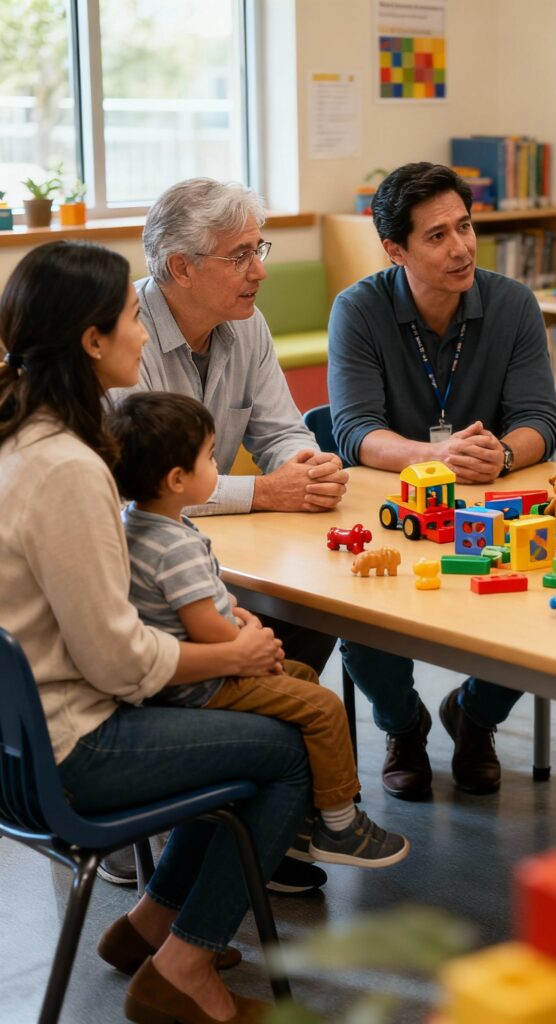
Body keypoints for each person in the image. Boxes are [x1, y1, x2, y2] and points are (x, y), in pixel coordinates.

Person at [0, 239, 307, 1023]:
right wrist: (231, 651)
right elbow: (119, 662)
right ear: (91, 342)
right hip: (72, 753)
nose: (144, 333)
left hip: (20, 745)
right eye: (134, 318)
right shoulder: (68, 469)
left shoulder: (19, 441)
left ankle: (152, 922)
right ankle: (185, 968)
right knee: (283, 748)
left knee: (240, 715)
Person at [108, 176, 346, 892]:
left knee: (313, 609)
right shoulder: (130, 336)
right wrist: (267, 491)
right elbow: (146, 484)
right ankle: (183, 820)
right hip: (145, 562)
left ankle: (259, 816)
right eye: (241, 254)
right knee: (265, 652)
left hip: (221, 544)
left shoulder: (249, 323)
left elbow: (279, 430)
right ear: (181, 268)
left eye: (260, 248)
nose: (261, 269)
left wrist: (305, 466)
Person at [328, 162, 556, 800]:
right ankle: (404, 727)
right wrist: (425, 460)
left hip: (495, 501)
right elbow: (352, 429)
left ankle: (476, 716)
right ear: (395, 249)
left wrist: (503, 458)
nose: (460, 247)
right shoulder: (359, 309)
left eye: (464, 227)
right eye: (436, 236)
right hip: (393, 503)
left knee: (534, 595)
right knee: (360, 611)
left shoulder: (511, 302)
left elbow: (541, 420)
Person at [107, 390, 409, 870]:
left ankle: (298, 814)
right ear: (177, 479)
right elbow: (205, 628)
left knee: (302, 678)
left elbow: (188, 602)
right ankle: (339, 825)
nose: (220, 465)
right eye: (210, 458)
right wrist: (246, 641)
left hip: (184, 675)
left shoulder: (136, 524)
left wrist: (230, 608)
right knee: (325, 706)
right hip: (202, 687)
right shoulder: (175, 544)